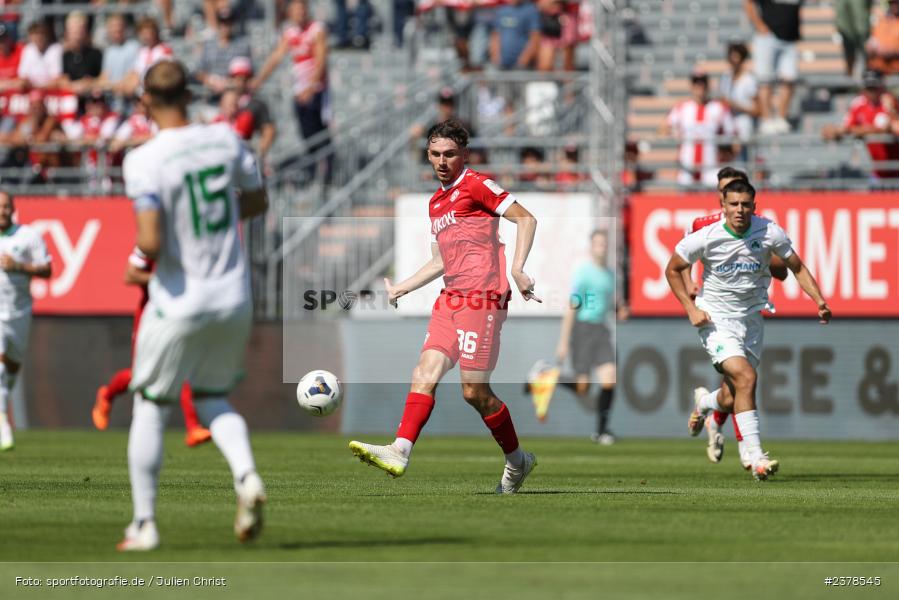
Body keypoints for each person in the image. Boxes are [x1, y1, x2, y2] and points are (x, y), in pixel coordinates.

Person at [117, 59, 268, 551]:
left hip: (181, 300)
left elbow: (151, 239)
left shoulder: (143, 160)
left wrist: (140, 263)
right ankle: (245, 476)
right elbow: (256, 201)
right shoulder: (225, 138)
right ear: (189, 95)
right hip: (234, 295)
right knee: (212, 396)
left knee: (150, 404)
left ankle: (144, 524)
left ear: (144, 102)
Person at [348, 119, 540, 494]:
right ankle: (399, 451)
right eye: (435, 154)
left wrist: (517, 269)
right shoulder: (436, 203)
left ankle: (517, 461)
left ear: (463, 155)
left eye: (449, 154)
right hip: (450, 299)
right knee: (425, 369)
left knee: (474, 392)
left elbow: (526, 219)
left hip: (483, 300)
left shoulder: (477, 185)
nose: (441, 161)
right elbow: (442, 261)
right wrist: (401, 287)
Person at [665, 179, 831, 480]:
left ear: (754, 206)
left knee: (733, 394)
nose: (739, 210)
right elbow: (673, 268)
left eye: (745, 204)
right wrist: (691, 308)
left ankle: (704, 403)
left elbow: (796, 266)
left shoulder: (769, 232)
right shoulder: (706, 236)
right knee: (747, 377)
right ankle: (756, 458)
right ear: (723, 206)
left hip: (752, 320)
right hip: (716, 319)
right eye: (733, 204)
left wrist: (819, 299)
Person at [681, 167, 788, 466]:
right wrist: (690, 284)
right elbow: (682, 258)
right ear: (720, 196)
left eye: (741, 195)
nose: (736, 203)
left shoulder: (759, 226)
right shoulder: (703, 224)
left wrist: (768, 260)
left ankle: (708, 408)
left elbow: (781, 269)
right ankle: (751, 452)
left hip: (749, 311)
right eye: (727, 192)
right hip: (717, 312)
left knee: (734, 389)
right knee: (745, 379)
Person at [92, 245, 213, 449]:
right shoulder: (151, 240)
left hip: (179, 317)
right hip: (150, 318)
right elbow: (130, 275)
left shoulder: (191, 241)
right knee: (142, 376)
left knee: (184, 370)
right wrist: (162, 281)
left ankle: (193, 427)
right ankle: (107, 395)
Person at [550, 229, 620, 445]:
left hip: (601, 330)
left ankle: (601, 432)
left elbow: (608, 305)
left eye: (604, 244)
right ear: (591, 247)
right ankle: (545, 376)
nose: (601, 247)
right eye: (598, 243)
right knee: (583, 387)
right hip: (582, 329)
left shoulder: (610, 275)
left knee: (610, 378)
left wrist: (619, 310)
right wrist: (563, 341)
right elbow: (572, 306)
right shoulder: (583, 273)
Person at [0, 190, 51, 451]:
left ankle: (2, 405)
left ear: (13, 209)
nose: (3, 211)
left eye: (7, 206)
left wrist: (19, 266)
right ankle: (2, 423)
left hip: (19, 312)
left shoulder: (28, 236)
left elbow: (47, 269)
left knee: (10, 373)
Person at [253, 0, 329, 171]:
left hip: (316, 91)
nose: (299, 13)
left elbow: (321, 61)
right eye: (295, 10)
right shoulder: (290, 33)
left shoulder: (316, 30)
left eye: (302, 9)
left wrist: (311, 87)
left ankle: (326, 171)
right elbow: (276, 58)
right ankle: (314, 169)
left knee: (320, 133)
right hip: (299, 91)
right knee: (306, 133)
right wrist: (258, 80)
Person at [659, 70, 736, 188]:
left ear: (707, 85)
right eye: (696, 83)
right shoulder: (681, 108)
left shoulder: (719, 108)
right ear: (692, 85)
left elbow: (733, 135)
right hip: (686, 167)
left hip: (711, 168)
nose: (700, 87)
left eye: (702, 83)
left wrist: (726, 154)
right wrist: (675, 133)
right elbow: (663, 129)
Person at [822, 69, 899, 180]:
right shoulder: (858, 104)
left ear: (882, 87)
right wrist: (834, 131)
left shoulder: (890, 102)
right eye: (868, 88)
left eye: (874, 88)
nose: (871, 92)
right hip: (877, 172)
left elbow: (889, 128)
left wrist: (891, 111)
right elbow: (844, 129)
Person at [744, 0, 802, 135]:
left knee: (789, 78)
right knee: (765, 80)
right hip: (767, 37)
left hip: (790, 39)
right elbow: (748, 3)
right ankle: (766, 119)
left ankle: (781, 118)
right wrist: (760, 26)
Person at [718, 42, 759, 147]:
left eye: (737, 58)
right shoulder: (725, 77)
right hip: (728, 124)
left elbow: (757, 110)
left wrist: (735, 106)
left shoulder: (749, 79)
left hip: (744, 125)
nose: (734, 62)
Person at [835, 0, 871, 77]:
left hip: (859, 31)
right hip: (848, 30)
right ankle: (851, 79)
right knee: (851, 58)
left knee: (863, 58)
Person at [866, 0, 899, 75]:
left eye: (897, 3)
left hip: (896, 72)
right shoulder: (881, 22)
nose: (894, 6)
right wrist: (871, 49)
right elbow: (871, 44)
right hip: (879, 72)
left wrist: (891, 52)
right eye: (892, 3)